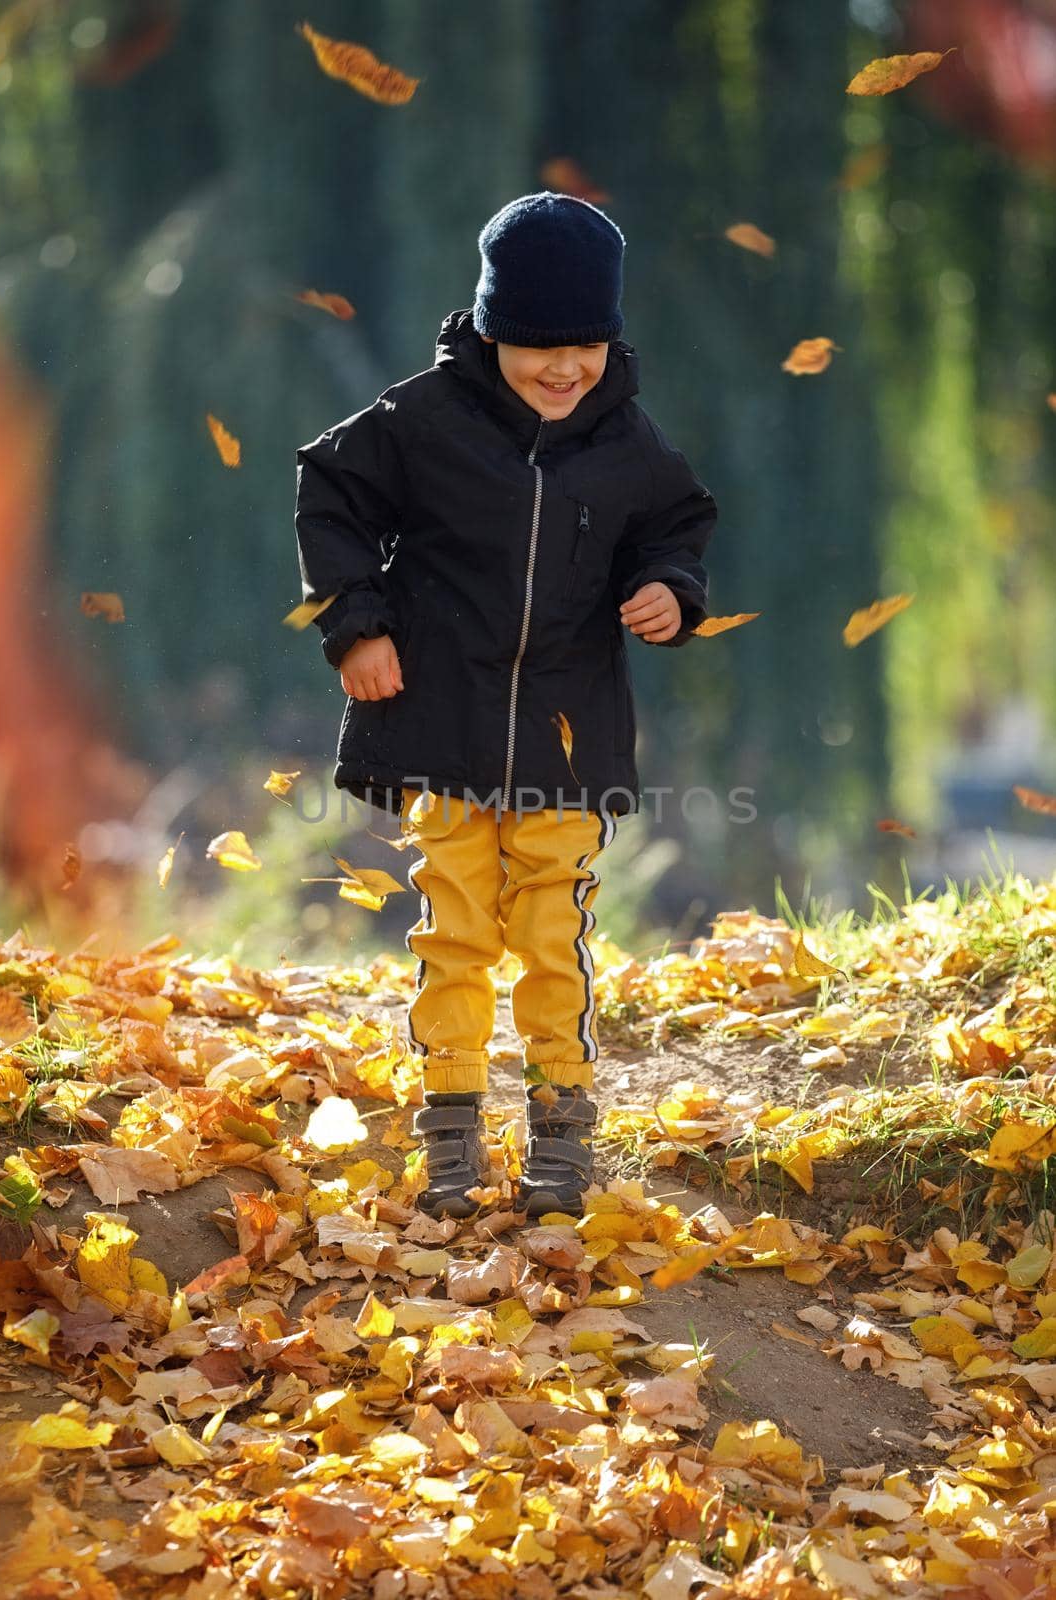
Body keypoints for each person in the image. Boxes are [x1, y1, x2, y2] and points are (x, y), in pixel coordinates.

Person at [294, 191, 717, 1221]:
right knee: (453, 928)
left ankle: (561, 1136)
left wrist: (672, 589)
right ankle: (448, 1135)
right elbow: (328, 491)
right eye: (536, 346)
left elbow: (677, 522)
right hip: (439, 724)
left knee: (545, 929)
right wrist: (356, 625)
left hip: (567, 737)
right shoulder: (421, 421)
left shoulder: (626, 440)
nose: (562, 368)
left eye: (582, 345)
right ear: (489, 330)